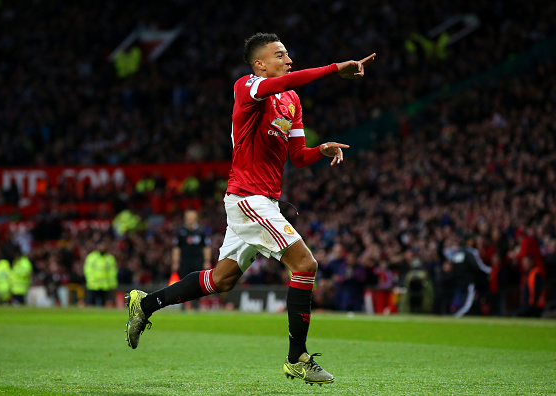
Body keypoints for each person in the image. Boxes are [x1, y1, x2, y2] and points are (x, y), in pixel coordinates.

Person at [124, 32, 375, 385]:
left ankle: (145, 304)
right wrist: (335, 68)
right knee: (305, 265)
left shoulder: (291, 100)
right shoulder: (248, 86)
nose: (288, 60)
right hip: (248, 198)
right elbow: (286, 80)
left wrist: (320, 150)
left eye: (287, 54)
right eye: (279, 55)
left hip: (263, 201)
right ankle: (297, 358)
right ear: (260, 64)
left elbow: (298, 158)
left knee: (222, 279)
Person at [441, 233, 491, 317]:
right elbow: (478, 266)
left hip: (457, 283)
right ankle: (455, 316)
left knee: (460, 301)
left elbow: (446, 253)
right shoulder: (470, 252)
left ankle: (454, 314)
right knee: (466, 304)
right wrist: (491, 271)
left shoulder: (457, 253)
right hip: (467, 282)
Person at [84, 239, 118, 306]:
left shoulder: (110, 258)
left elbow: (113, 272)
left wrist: (112, 283)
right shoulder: (92, 257)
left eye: (104, 246)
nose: (102, 247)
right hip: (93, 284)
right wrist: (91, 280)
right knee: (90, 304)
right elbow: (88, 270)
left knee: (104, 305)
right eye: (101, 246)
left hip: (105, 285)